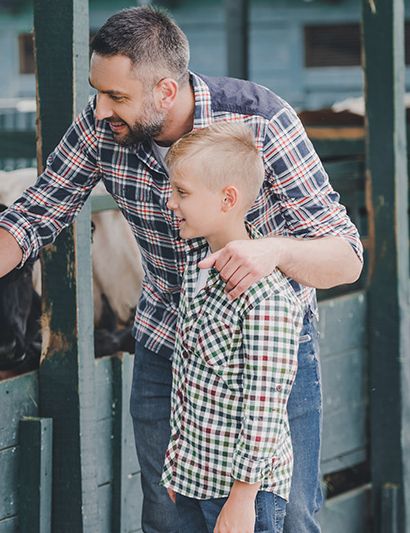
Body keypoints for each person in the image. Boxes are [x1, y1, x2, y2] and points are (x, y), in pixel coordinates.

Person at [0, 6, 362, 533]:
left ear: (166, 91)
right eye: (97, 92)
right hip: (169, 344)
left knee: (281, 518)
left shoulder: (261, 122)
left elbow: (347, 256)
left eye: (116, 96)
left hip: (265, 352)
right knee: (168, 520)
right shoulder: (102, 127)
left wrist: (272, 252)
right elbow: (36, 211)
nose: (100, 110)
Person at [161, 122, 302, 533]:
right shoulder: (198, 270)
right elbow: (189, 380)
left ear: (227, 199)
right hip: (194, 480)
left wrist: (242, 498)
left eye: (182, 192)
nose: (170, 202)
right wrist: (177, 465)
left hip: (244, 495)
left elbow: (265, 406)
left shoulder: (266, 296)